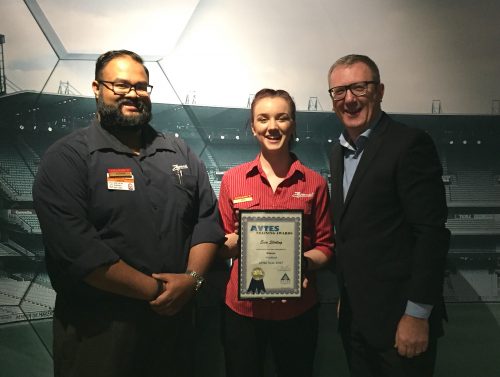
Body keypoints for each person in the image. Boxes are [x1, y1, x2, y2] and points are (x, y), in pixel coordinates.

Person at [32, 50, 224, 377]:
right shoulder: (67, 158)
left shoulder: (178, 151)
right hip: (99, 335)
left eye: (141, 86)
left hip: (175, 331)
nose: (133, 94)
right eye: (121, 85)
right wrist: (159, 292)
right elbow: (78, 251)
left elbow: (207, 221)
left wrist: (191, 281)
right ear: (96, 87)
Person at [327, 54, 450, 377]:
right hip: (356, 320)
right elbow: (352, 233)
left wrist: (418, 314)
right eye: (339, 91)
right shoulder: (337, 152)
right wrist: (347, 297)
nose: (349, 99)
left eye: (359, 88)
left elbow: (431, 234)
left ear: (379, 91)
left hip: (401, 324)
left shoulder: (409, 144)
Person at [217, 88, 334, 377]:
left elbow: (326, 246)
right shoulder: (232, 180)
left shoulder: (315, 182)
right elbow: (220, 243)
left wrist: (301, 264)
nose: (272, 127)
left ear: (292, 124)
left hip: (298, 311)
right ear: (253, 126)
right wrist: (238, 241)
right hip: (242, 310)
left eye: (282, 118)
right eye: (263, 119)